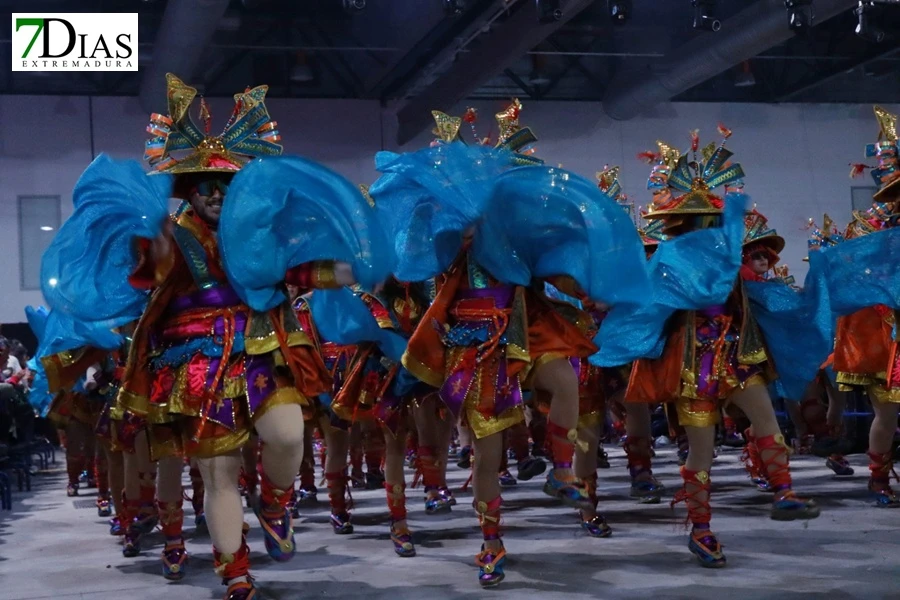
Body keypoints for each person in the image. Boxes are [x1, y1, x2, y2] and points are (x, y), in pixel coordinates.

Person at [623, 130, 819, 568]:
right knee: (701, 451)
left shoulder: (735, 260)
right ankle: (701, 527)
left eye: (711, 220)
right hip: (693, 366)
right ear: (684, 225)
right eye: (699, 222)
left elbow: (763, 296)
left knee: (767, 419)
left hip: (737, 355)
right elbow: (655, 306)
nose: (706, 228)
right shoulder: (670, 262)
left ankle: (784, 491)